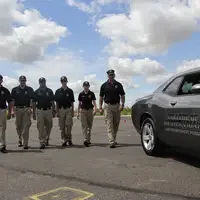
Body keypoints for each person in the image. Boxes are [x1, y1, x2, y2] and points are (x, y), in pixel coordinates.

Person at [99, 69, 125, 148]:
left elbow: (122, 95)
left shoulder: (119, 85)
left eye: (112, 75)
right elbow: (101, 97)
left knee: (116, 124)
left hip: (117, 106)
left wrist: (122, 105)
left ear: (114, 75)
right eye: (110, 75)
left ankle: (113, 138)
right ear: (108, 76)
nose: (111, 76)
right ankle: (112, 141)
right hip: (108, 106)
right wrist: (100, 107)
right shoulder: (104, 85)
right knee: (109, 124)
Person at [11, 75, 34, 149]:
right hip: (17, 109)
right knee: (18, 126)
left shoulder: (29, 89)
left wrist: (30, 108)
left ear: (25, 81)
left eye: (24, 80)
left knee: (26, 126)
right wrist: (12, 110)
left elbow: (31, 99)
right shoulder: (14, 89)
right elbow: (13, 100)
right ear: (19, 81)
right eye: (21, 80)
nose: (22, 82)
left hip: (26, 109)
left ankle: (25, 143)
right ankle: (20, 139)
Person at [32, 78, 56, 149]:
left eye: (43, 82)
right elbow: (34, 103)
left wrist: (54, 111)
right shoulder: (36, 92)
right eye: (41, 82)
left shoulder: (50, 91)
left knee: (49, 126)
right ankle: (42, 142)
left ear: (45, 82)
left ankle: (46, 137)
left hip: (48, 110)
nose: (42, 83)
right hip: (40, 110)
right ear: (39, 83)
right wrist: (33, 112)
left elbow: (52, 102)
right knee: (41, 126)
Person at [55, 76, 75, 146]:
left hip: (68, 109)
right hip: (61, 110)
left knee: (69, 125)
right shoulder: (58, 91)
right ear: (61, 82)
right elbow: (56, 103)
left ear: (67, 81)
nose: (64, 82)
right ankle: (63, 139)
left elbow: (72, 102)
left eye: (65, 81)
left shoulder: (70, 91)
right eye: (62, 81)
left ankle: (69, 138)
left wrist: (72, 111)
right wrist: (56, 111)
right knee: (62, 126)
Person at [77, 81, 97, 147]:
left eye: (87, 86)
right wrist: (77, 113)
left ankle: (88, 139)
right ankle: (85, 139)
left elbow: (94, 102)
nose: (86, 87)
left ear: (89, 86)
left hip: (90, 111)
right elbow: (79, 104)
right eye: (85, 86)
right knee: (84, 125)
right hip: (83, 111)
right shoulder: (81, 94)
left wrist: (95, 109)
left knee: (89, 126)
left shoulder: (91, 93)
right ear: (83, 86)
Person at [0, 75, 12, 153]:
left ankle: (2, 145)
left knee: (2, 129)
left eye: (0, 79)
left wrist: (9, 112)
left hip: (2, 110)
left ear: (1, 80)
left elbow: (10, 102)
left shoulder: (5, 90)